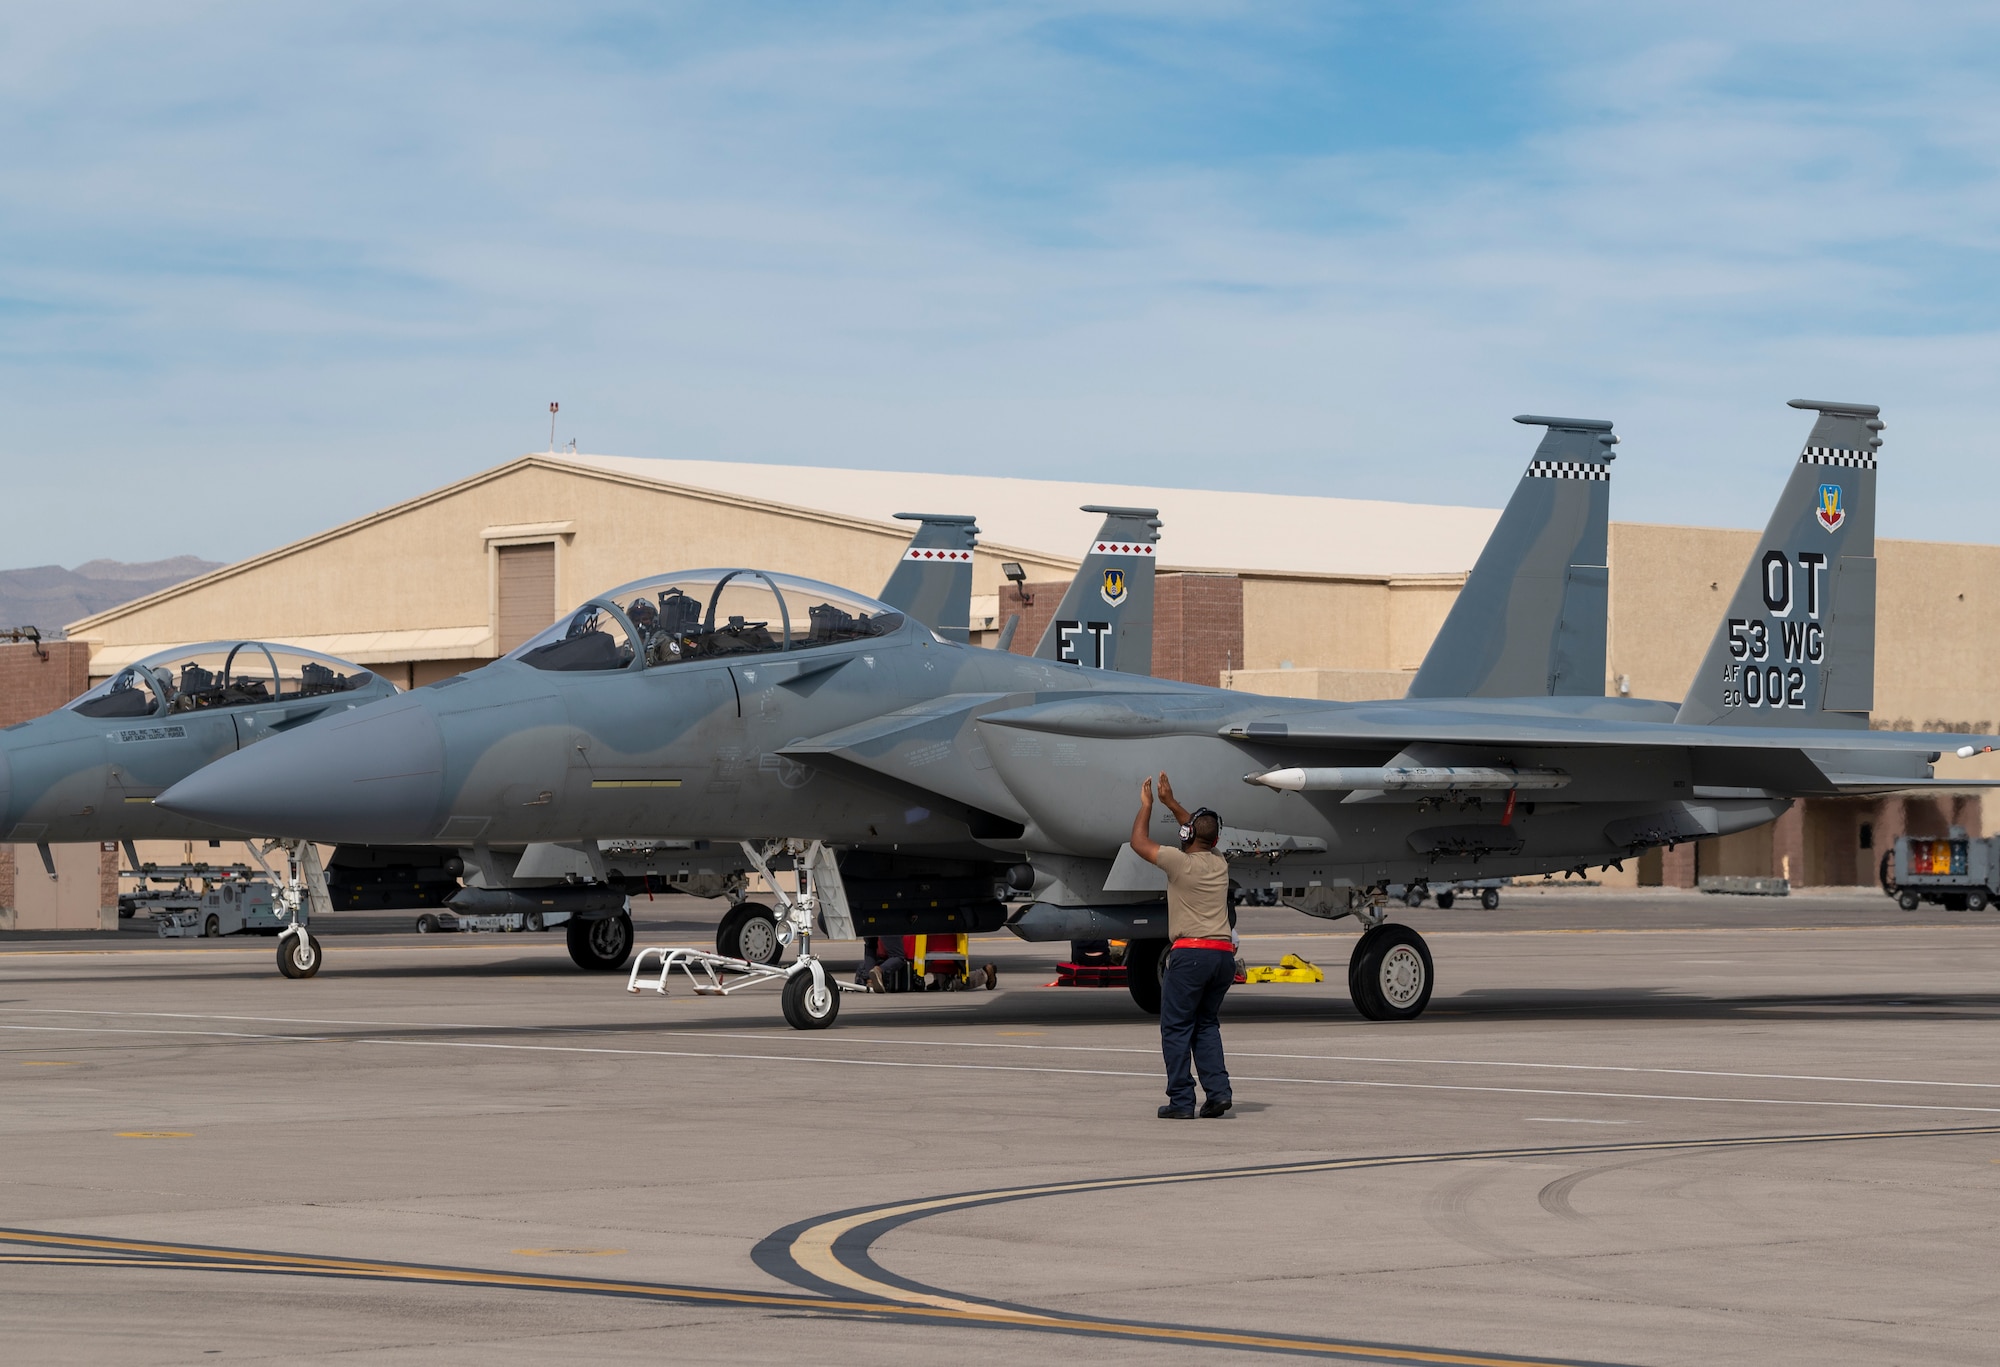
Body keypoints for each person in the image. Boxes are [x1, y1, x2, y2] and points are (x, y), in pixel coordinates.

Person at [1130, 773, 1234, 1119]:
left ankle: (1181, 1101)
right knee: (1206, 1024)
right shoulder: (1219, 863)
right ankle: (1218, 1093)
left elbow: (1139, 842)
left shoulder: (1180, 863)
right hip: (1222, 957)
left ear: (1187, 835)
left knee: (1176, 1027)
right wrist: (1172, 803)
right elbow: (1200, 830)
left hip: (1191, 955)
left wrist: (1147, 806)